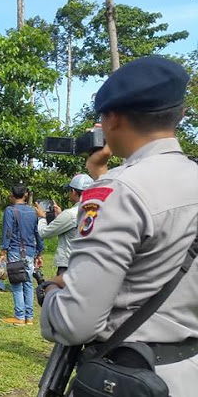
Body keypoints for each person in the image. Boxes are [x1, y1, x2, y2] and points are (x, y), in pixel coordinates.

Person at [40, 56, 198, 395]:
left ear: (111, 118)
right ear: (180, 116)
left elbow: (75, 323)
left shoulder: (116, 191)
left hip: (127, 379)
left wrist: (52, 292)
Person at [0, 184, 44, 326]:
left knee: (17, 283)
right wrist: (39, 252)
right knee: (28, 283)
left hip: (15, 250)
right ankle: (29, 317)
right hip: (30, 251)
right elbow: (38, 233)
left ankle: (19, 317)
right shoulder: (33, 211)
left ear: (12, 195)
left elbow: (8, 231)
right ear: (25, 195)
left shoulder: (10, 210)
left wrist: (3, 250)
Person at [35, 174, 93, 276]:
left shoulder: (70, 214)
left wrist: (42, 217)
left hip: (68, 264)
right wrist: (61, 215)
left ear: (74, 191)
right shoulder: (94, 211)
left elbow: (44, 233)